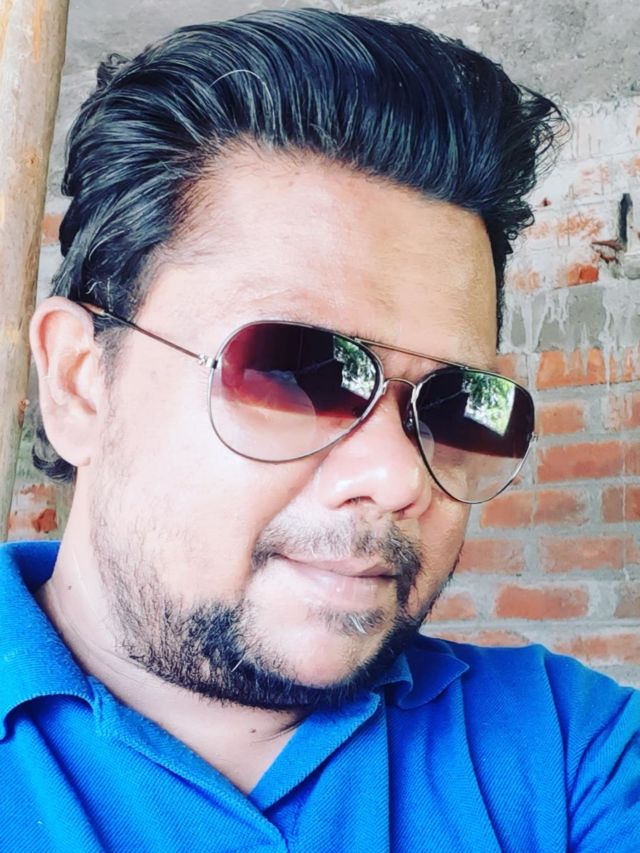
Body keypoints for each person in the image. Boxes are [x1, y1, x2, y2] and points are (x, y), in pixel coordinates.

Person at [2, 7, 638, 851]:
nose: (400, 477)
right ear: (80, 382)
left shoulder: (570, 751)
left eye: (454, 402)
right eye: (294, 371)